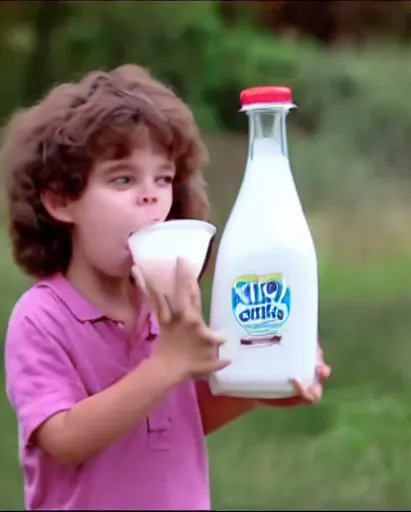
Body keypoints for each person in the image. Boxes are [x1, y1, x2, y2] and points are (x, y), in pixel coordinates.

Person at [1, 64, 331, 510]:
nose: (152, 196)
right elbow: (64, 439)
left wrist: (269, 382)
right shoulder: (42, 318)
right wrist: (165, 365)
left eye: (163, 178)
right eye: (123, 179)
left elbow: (186, 419)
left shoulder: (167, 304)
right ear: (61, 199)